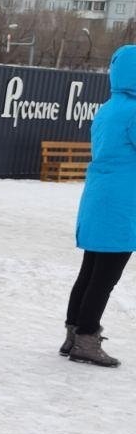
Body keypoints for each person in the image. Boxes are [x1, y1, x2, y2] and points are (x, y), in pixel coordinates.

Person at [63, 44, 136, 367]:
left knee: (90, 271)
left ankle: (74, 334)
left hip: (100, 196)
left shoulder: (109, 107)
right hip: (121, 201)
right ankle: (87, 340)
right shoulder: (134, 111)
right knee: (105, 277)